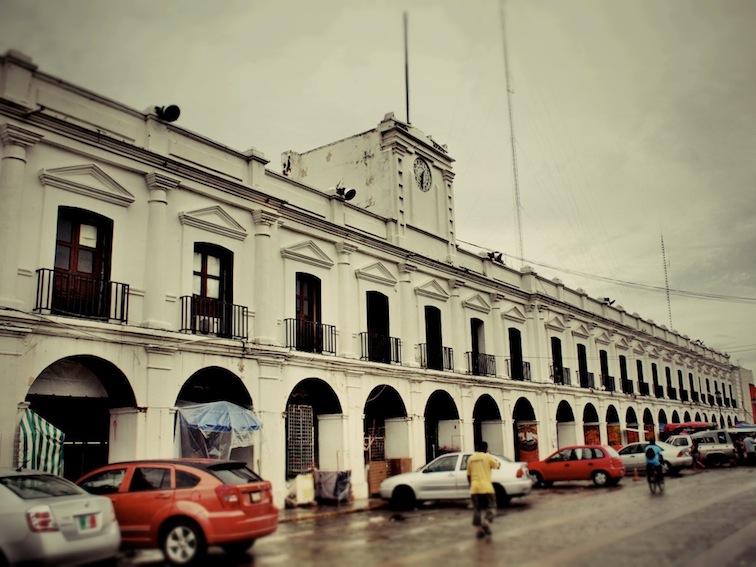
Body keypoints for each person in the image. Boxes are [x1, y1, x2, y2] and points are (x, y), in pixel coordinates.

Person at [466, 441, 501, 539]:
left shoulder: (471, 459)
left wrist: (471, 485)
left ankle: (479, 530)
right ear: (486, 448)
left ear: (477, 447)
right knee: (492, 506)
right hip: (486, 487)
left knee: (477, 509)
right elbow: (497, 465)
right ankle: (486, 522)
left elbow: (468, 475)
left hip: (475, 487)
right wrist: (491, 456)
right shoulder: (488, 457)